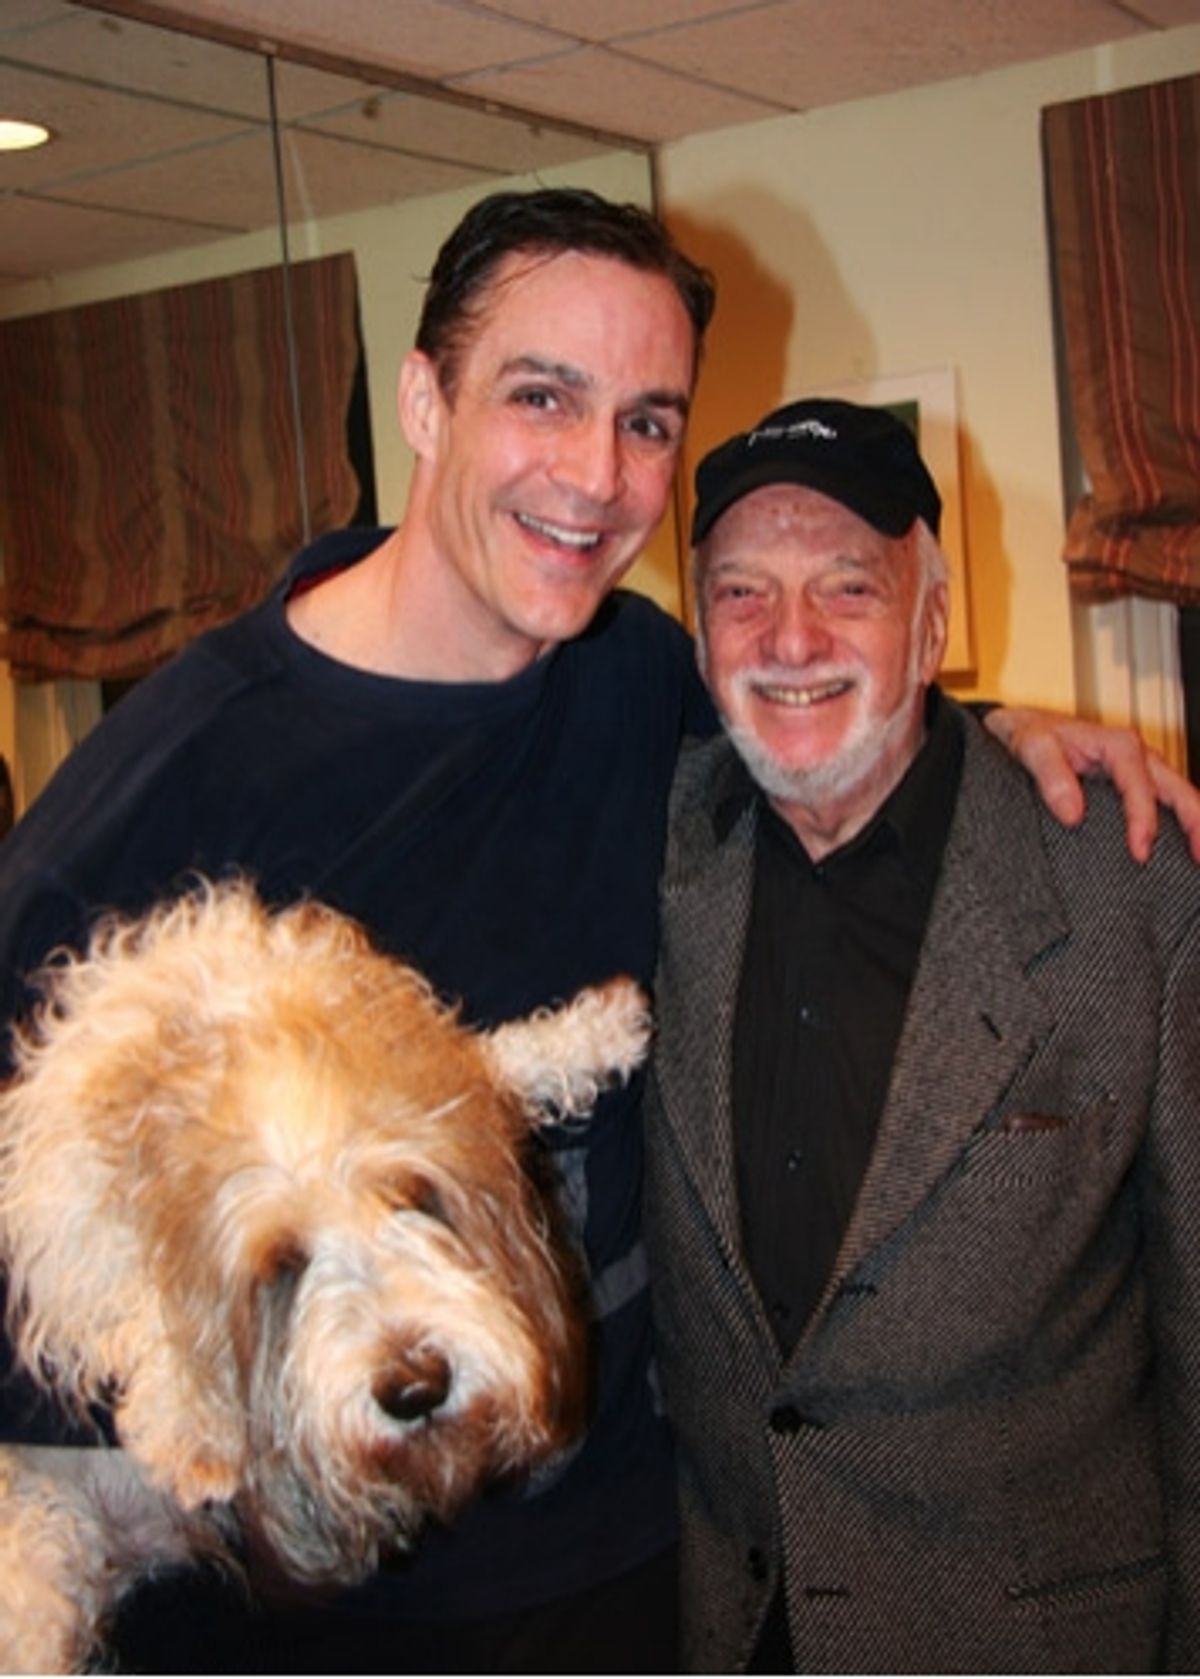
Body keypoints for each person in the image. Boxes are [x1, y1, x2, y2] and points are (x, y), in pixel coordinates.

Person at [0, 193, 1192, 1676]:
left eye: (645, 420)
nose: (595, 473)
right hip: (322, 1619)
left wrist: (1014, 731)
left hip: (633, 1579)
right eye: (542, 396)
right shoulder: (169, 783)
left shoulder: (633, 680)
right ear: (426, 399)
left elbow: (833, 705)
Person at [643, 396, 1200, 1674]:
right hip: (733, 1638)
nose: (791, 638)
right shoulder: (648, 850)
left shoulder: (1128, 891)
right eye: (741, 593)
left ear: (933, 621)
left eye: (849, 586)